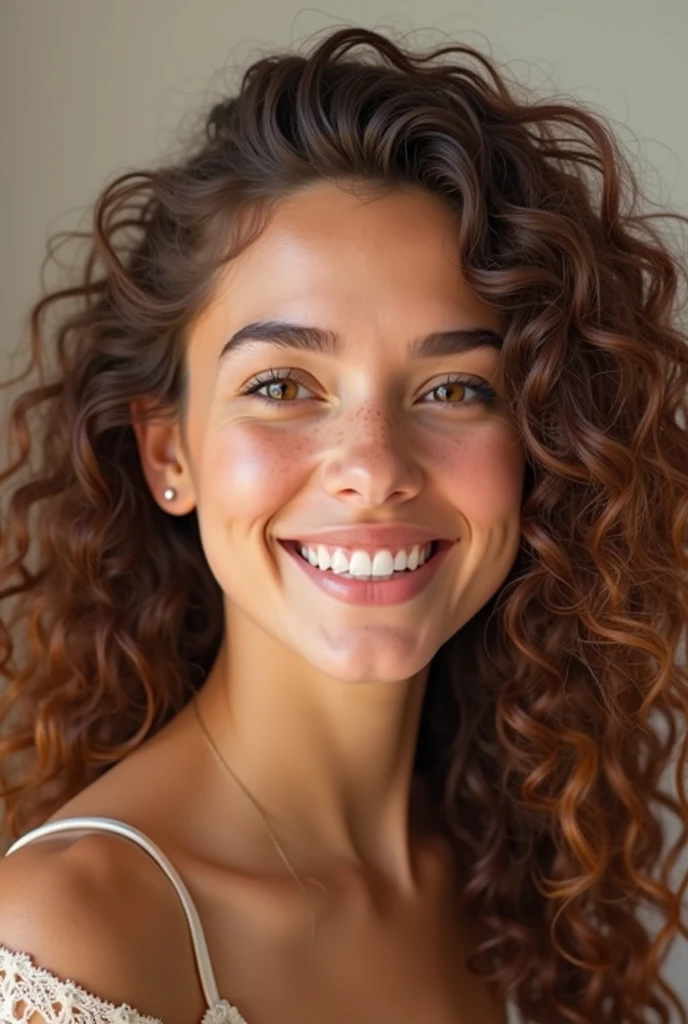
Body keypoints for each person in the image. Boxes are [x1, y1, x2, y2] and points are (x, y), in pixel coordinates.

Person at [0, 23, 686, 1024]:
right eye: (283, 384)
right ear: (168, 452)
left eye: (455, 387)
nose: (373, 468)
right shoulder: (77, 936)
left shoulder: (530, 877)